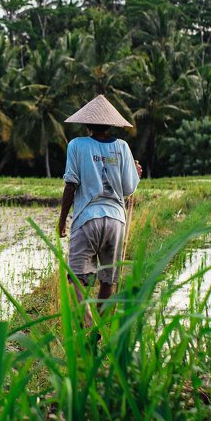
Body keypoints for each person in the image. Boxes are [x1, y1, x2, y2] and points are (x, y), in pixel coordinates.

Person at [58, 94, 141, 325]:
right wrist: (136, 174)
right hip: (116, 220)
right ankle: (99, 332)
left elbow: (71, 185)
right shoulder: (122, 147)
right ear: (111, 124)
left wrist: (62, 220)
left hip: (87, 219)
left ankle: (87, 324)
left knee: (76, 276)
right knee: (108, 279)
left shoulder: (77, 145)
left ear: (87, 124)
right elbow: (127, 189)